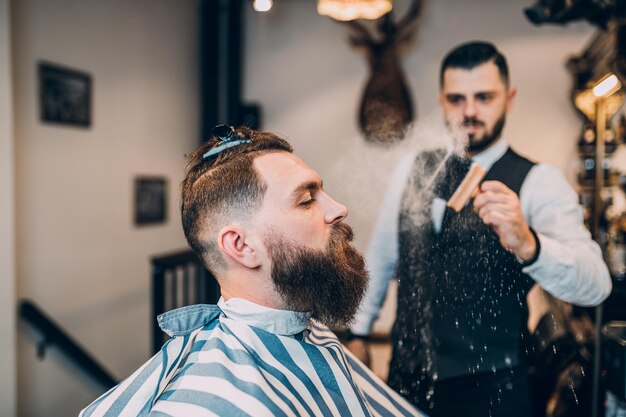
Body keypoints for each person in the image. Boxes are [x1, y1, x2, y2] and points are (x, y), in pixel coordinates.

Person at [79, 125, 425, 417]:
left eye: (322, 192)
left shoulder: (310, 332)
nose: (338, 209)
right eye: (306, 200)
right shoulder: (208, 404)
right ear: (242, 247)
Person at [345, 41, 612, 417]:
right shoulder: (413, 168)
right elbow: (382, 257)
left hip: (493, 390)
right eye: (457, 99)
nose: (469, 111)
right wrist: (357, 335)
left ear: (510, 97)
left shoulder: (539, 182)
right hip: (407, 381)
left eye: (484, 97)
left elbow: (597, 284)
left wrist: (530, 244)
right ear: (441, 101)